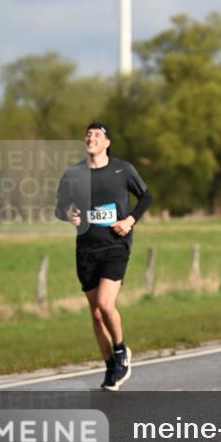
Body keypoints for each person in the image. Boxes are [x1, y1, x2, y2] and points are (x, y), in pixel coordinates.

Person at [55, 123, 152, 391]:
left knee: (106, 304)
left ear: (107, 142)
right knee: (96, 314)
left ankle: (120, 350)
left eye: (97, 135)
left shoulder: (123, 170)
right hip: (86, 249)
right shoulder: (74, 174)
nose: (91, 137)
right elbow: (60, 207)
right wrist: (68, 215)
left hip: (116, 246)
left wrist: (130, 220)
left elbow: (146, 197)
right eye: (88, 134)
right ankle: (110, 366)